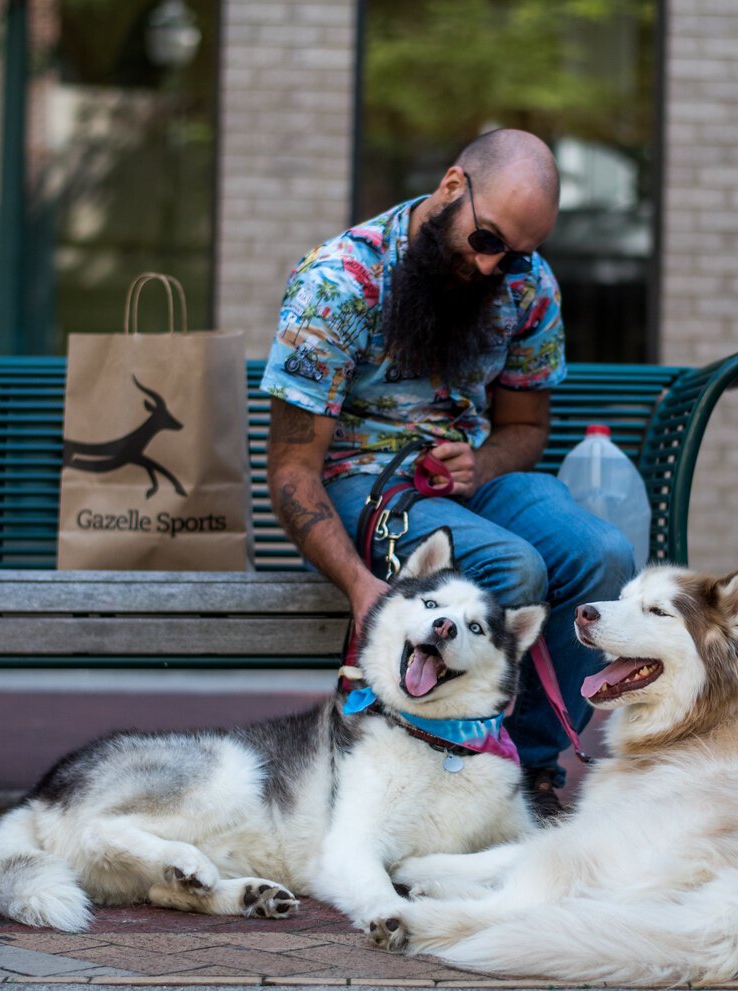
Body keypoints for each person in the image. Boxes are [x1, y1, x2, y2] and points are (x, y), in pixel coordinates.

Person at [260, 129, 636, 819]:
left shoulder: (527, 284)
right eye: (487, 240)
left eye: (518, 253)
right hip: (359, 484)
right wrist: (361, 586)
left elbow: (525, 429)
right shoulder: (339, 283)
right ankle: (451, 775)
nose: (495, 268)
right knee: (512, 568)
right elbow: (289, 471)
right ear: (453, 186)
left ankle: (527, 772)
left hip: (467, 485)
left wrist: (482, 462)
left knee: (602, 554)